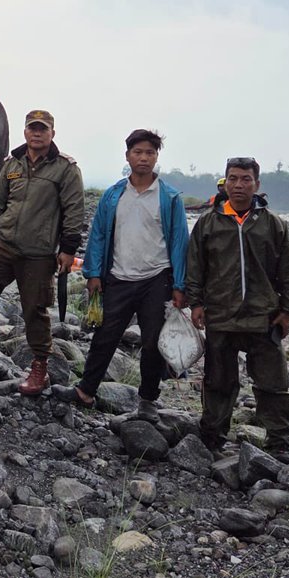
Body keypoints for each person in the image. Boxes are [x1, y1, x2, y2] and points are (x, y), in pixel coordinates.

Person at [55, 130, 188, 419]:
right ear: (127, 156)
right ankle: (85, 390)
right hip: (118, 276)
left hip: (156, 278)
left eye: (149, 153)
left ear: (156, 157)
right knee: (105, 336)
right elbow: (99, 236)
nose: (143, 158)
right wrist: (93, 274)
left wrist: (180, 285)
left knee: (153, 342)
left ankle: (148, 401)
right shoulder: (114, 195)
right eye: (138, 152)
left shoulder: (169, 197)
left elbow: (179, 242)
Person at [185, 157, 289, 459]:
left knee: (273, 384)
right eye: (233, 178)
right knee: (218, 381)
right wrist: (196, 303)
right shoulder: (209, 222)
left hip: (263, 317)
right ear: (224, 182)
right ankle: (213, 435)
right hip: (220, 316)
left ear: (257, 184)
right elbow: (195, 266)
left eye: (246, 179)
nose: (239, 185)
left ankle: (280, 441)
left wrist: (287, 309)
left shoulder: (272, 224)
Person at [0, 110, 85, 396]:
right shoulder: (12, 164)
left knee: (35, 308)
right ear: (25, 132)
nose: (37, 133)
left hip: (40, 252)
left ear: (52, 134)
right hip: (5, 244)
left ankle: (40, 366)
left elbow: (74, 210)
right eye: (32, 128)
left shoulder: (65, 168)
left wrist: (68, 250)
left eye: (43, 129)